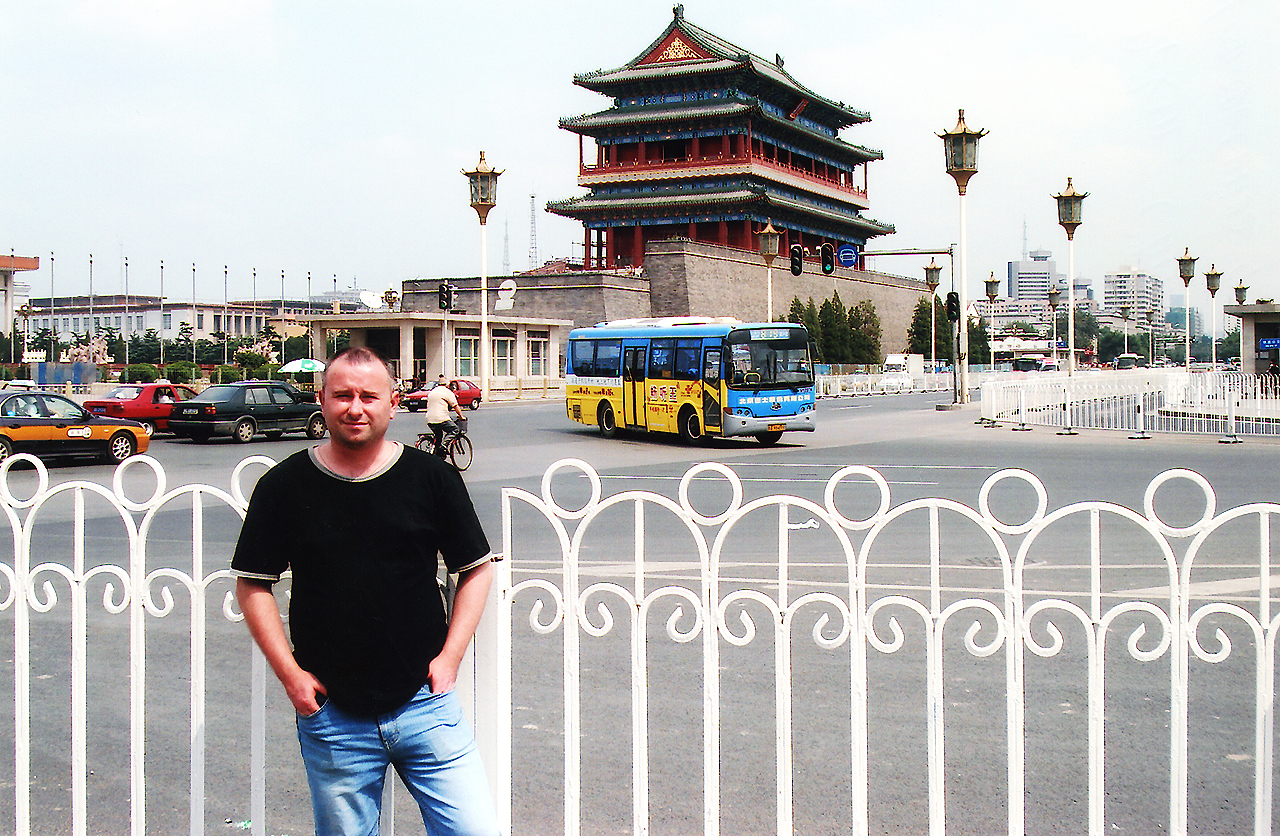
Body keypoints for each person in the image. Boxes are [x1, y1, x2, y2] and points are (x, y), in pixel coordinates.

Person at [232, 346, 499, 836]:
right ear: (322, 400)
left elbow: (475, 571)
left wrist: (450, 659)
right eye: (343, 396)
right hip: (334, 716)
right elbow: (252, 583)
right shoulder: (284, 485)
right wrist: (291, 677)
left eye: (369, 396)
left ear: (393, 404)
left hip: (425, 703)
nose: (356, 408)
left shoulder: (431, 478)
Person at [426, 376, 465, 456]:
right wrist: (461, 416)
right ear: (447, 385)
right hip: (441, 418)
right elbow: (455, 406)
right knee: (455, 429)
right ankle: (443, 446)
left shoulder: (432, 391)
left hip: (429, 419)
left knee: (438, 436)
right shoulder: (447, 392)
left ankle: (437, 454)